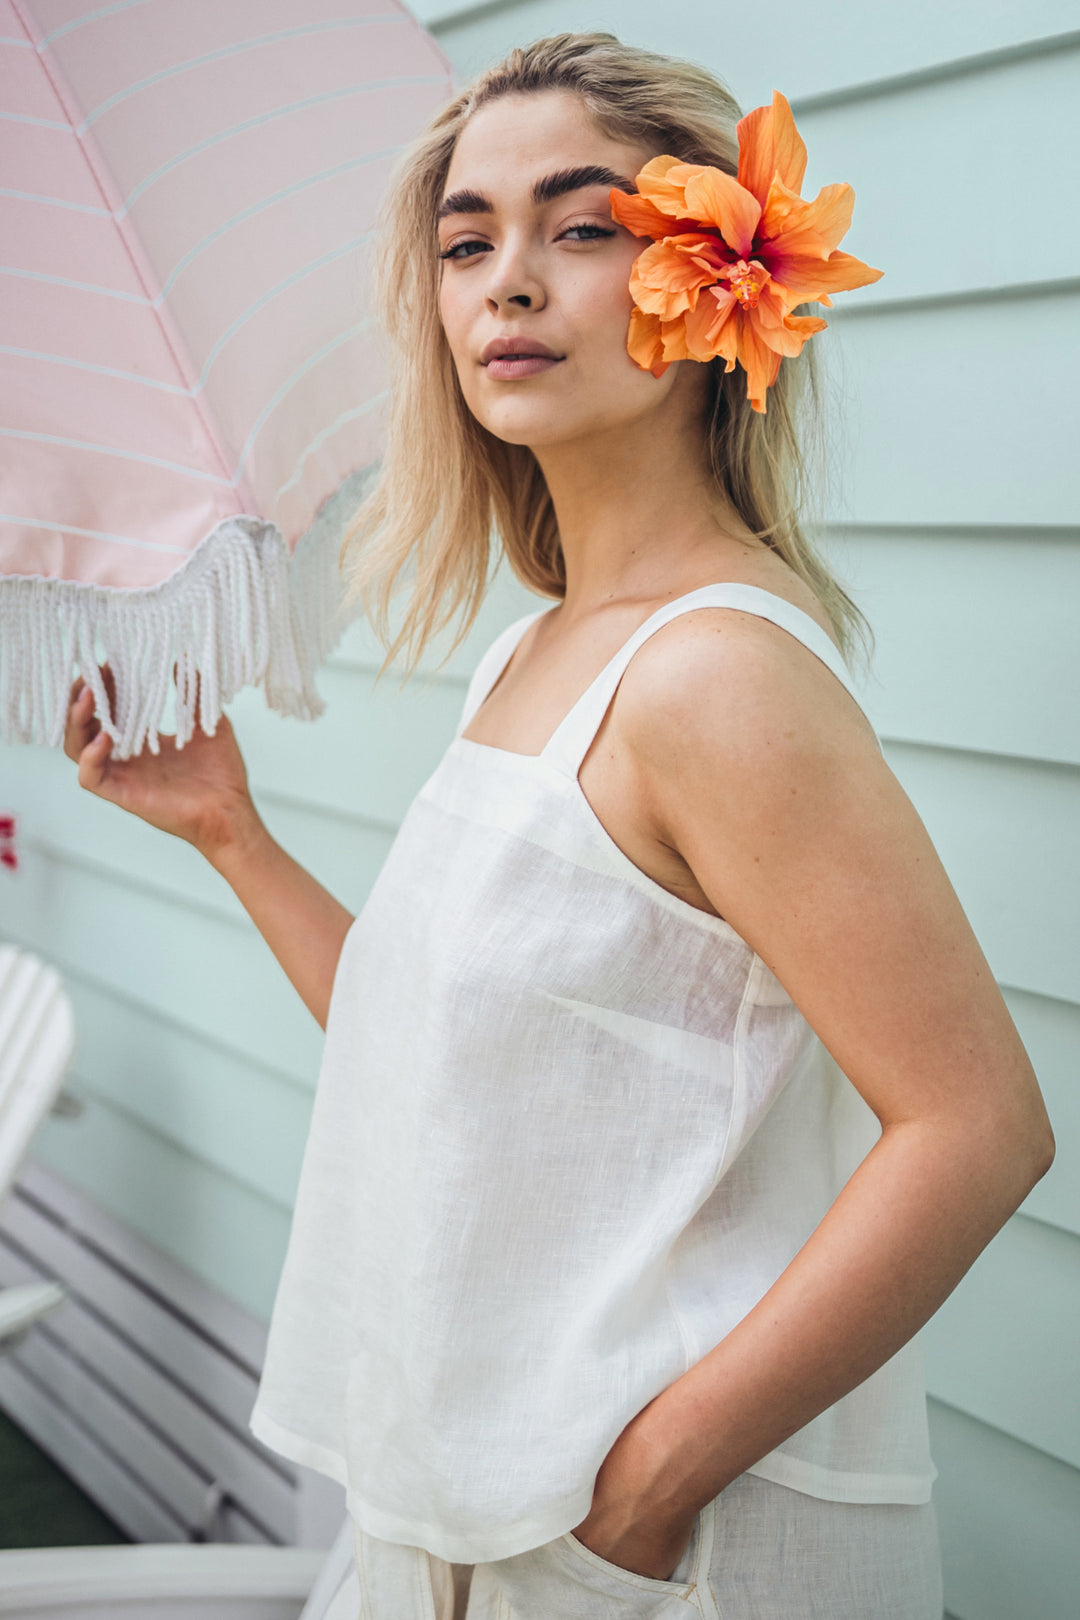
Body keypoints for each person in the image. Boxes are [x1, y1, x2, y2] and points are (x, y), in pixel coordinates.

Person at [63, 31, 1054, 1620]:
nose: (506, 282)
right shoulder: (536, 651)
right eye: (467, 244)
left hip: (651, 1556)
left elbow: (976, 1128)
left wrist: (647, 1493)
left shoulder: (716, 674)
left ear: (722, 289)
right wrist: (231, 831)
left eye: (582, 227)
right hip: (471, 1497)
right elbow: (429, 1049)